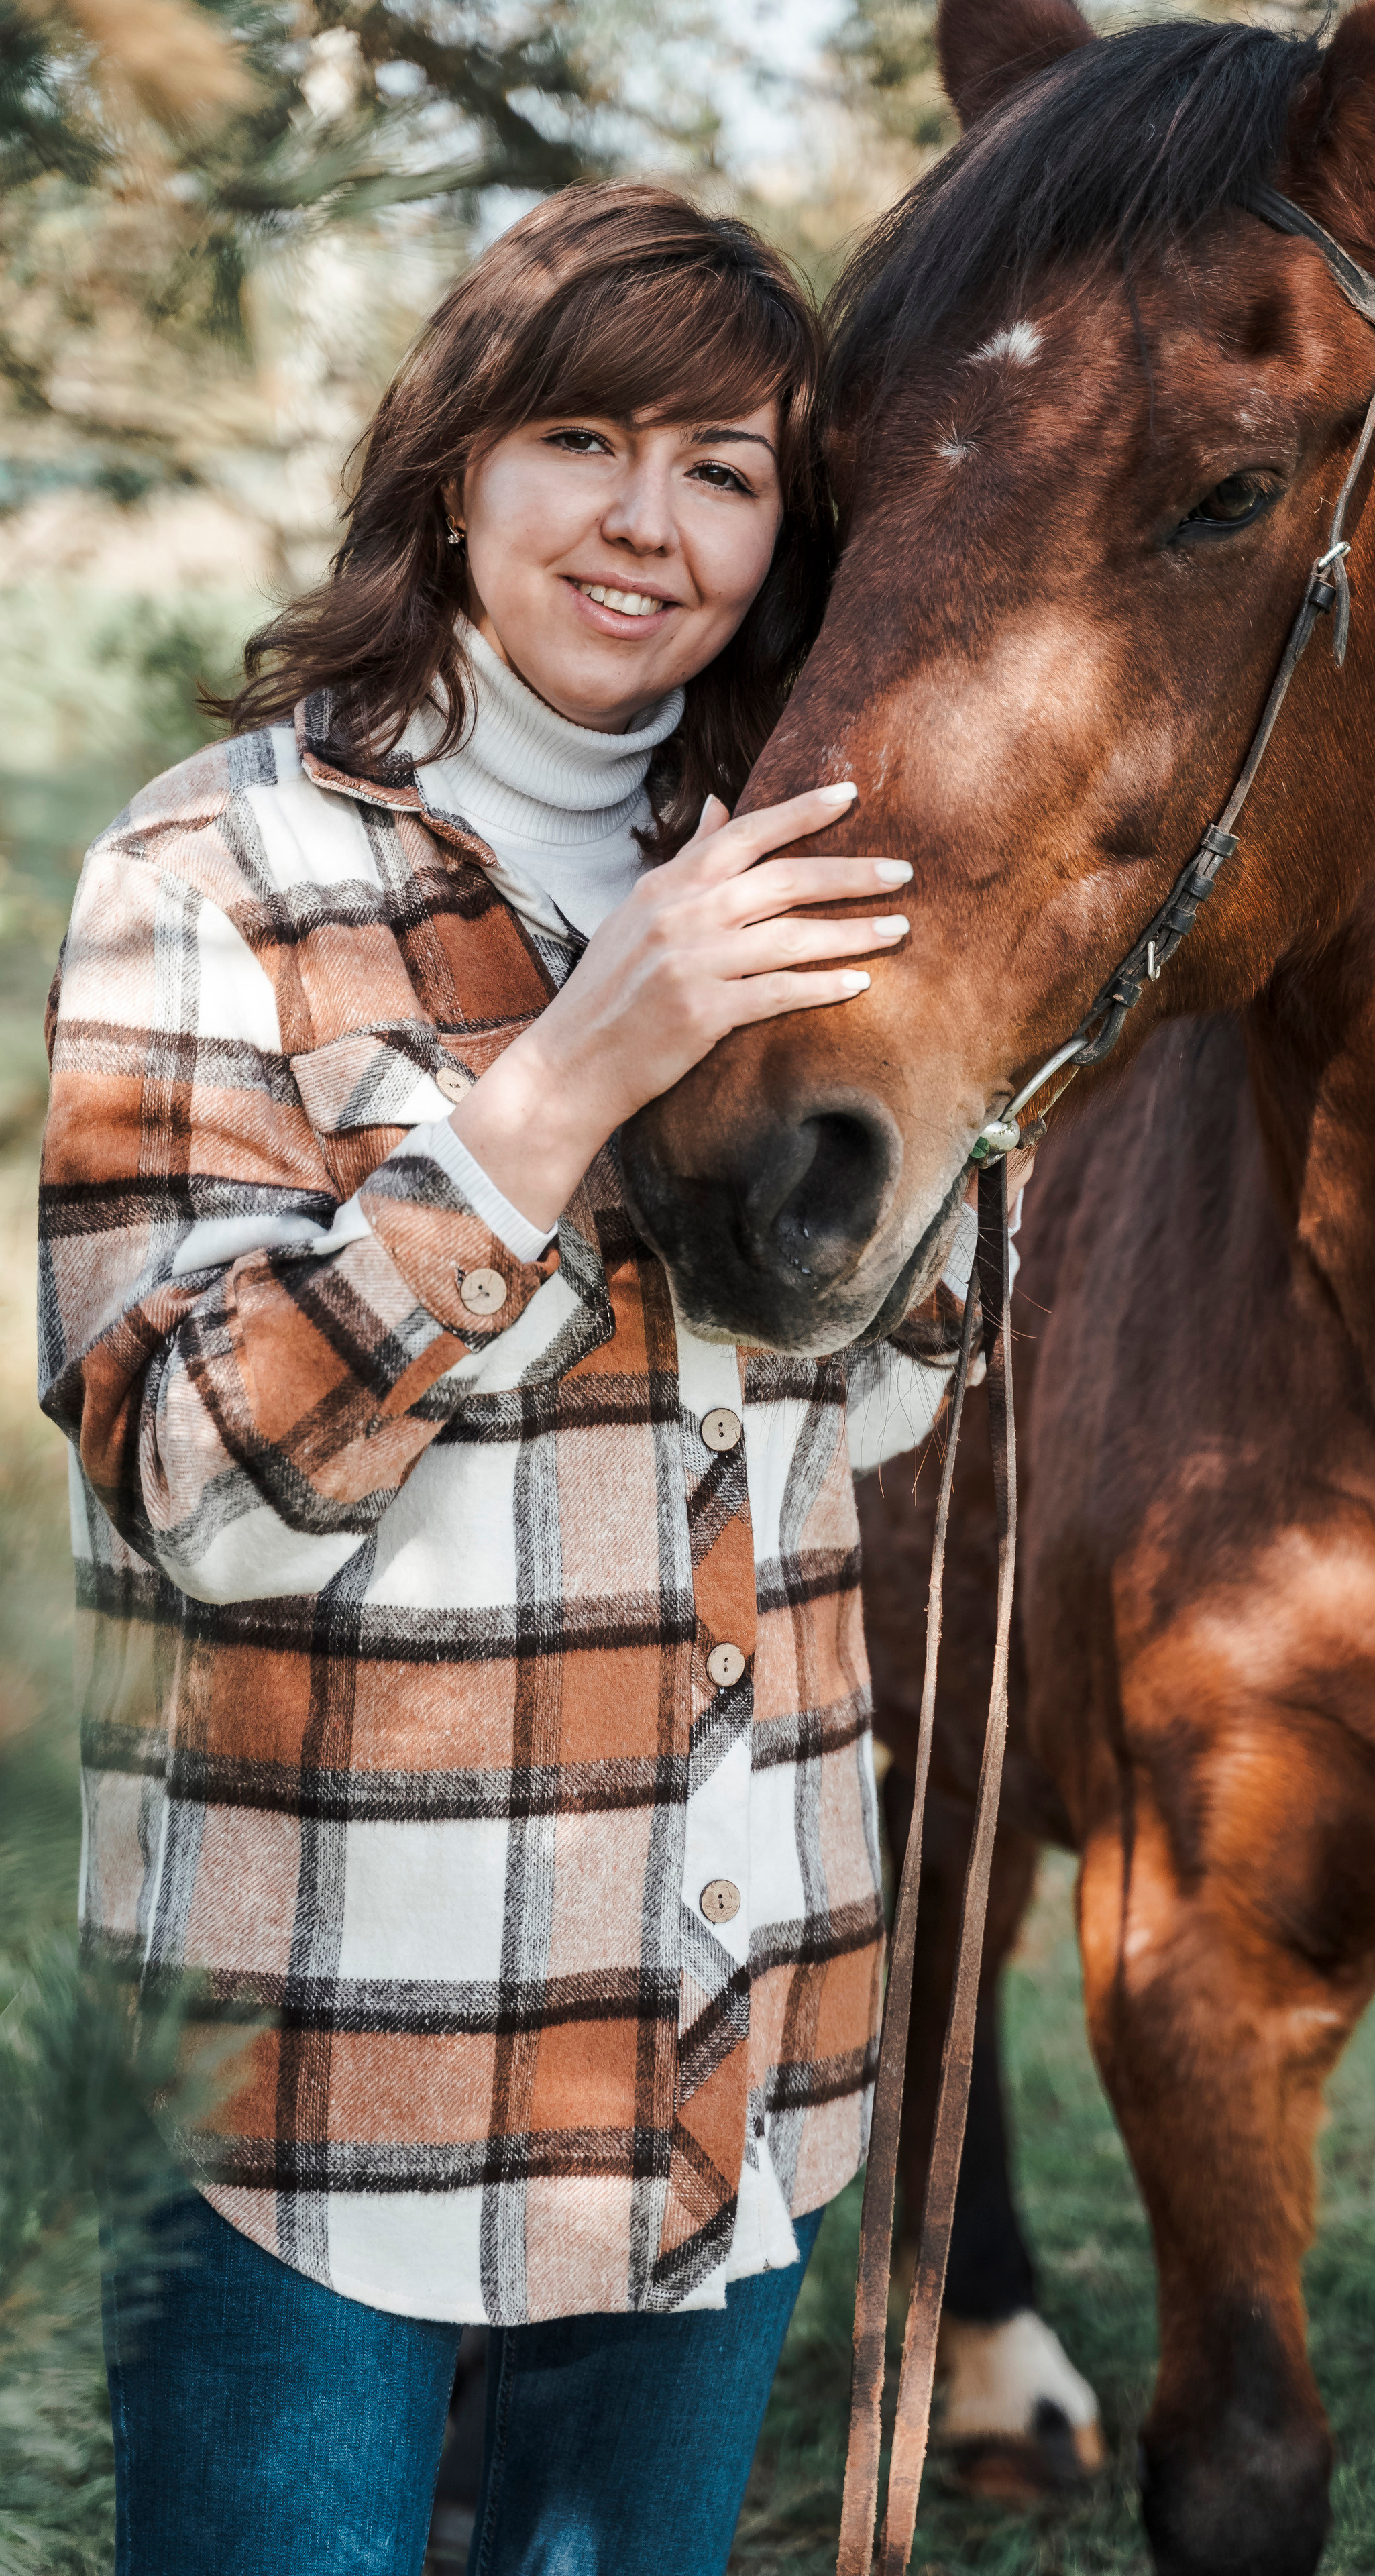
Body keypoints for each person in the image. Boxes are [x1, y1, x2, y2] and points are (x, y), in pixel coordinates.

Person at [39, 182, 997, 2576]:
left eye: (728, 469)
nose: (646, 528)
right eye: (584, 436)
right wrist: (567, 1080)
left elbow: (875, 1416)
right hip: (326, 2064)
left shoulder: (804, 891)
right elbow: (186, 1479)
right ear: (456, 462)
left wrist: (945, 1103)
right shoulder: (216, 867)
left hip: (737, 2036)